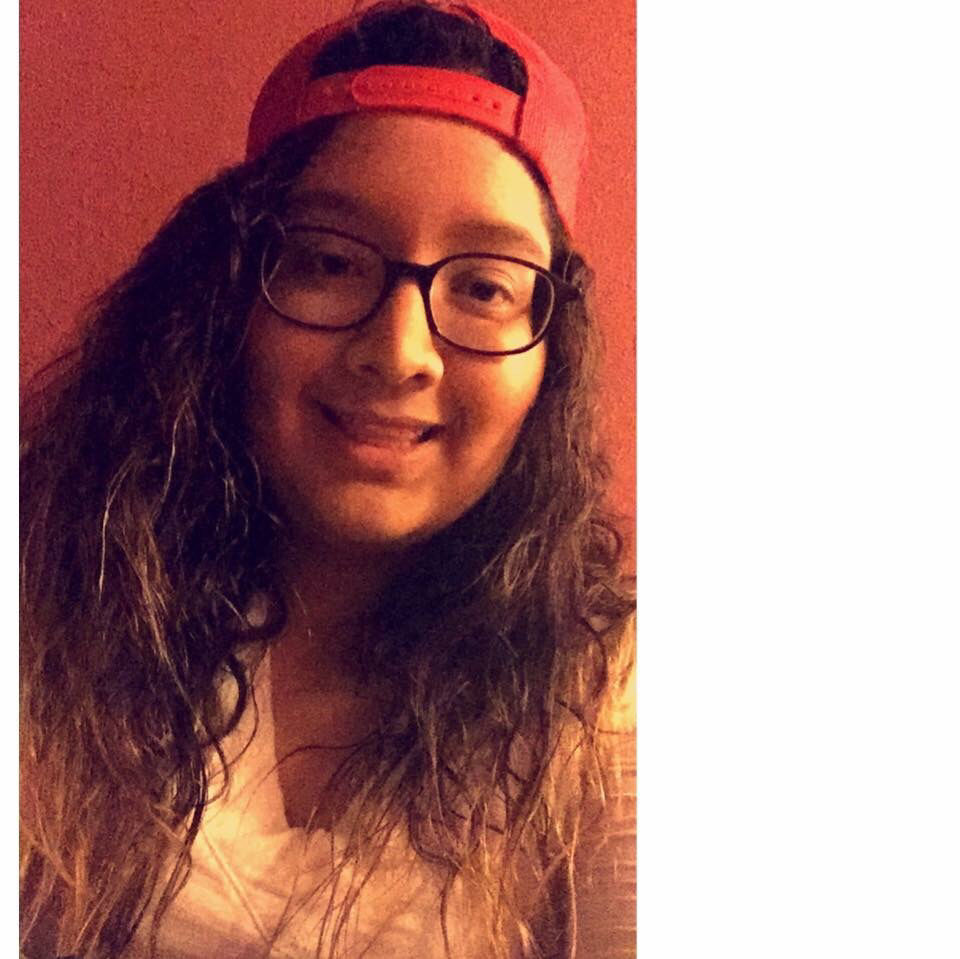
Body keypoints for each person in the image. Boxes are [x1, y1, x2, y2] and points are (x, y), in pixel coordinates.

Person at [19, 2, 636, 956]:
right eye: (329, 262)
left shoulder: (610, 696)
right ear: (227, 297)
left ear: (552, 350)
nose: (400, 351)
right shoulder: (46, 607)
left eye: (484, 285)